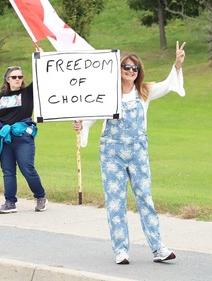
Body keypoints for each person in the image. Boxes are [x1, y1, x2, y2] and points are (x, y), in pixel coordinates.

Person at [73, 41, 186, 264]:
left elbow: (167, 84)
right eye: (126, 67)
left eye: (134, 68)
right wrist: (81, 125)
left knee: (145, 198)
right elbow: (90, 118)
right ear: (119, 69)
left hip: (137, 152)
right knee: (115, 201)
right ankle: (121, 249)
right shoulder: (107, 95)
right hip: (111, 153)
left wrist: (177, 64)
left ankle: (158, 247)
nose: (131, 71)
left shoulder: (144, 92)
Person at [0, 65, 47, 214]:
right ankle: (10, 202)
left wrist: (41, 58)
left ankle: (41, 196)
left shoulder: (28, 93)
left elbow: (41, 75)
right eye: (14, 77)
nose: (18, 79)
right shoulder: (0, 97)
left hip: (23, 136)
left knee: (27, 168)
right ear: (7, 79)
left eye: (20, 77)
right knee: (8, 171)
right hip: (5, 137)